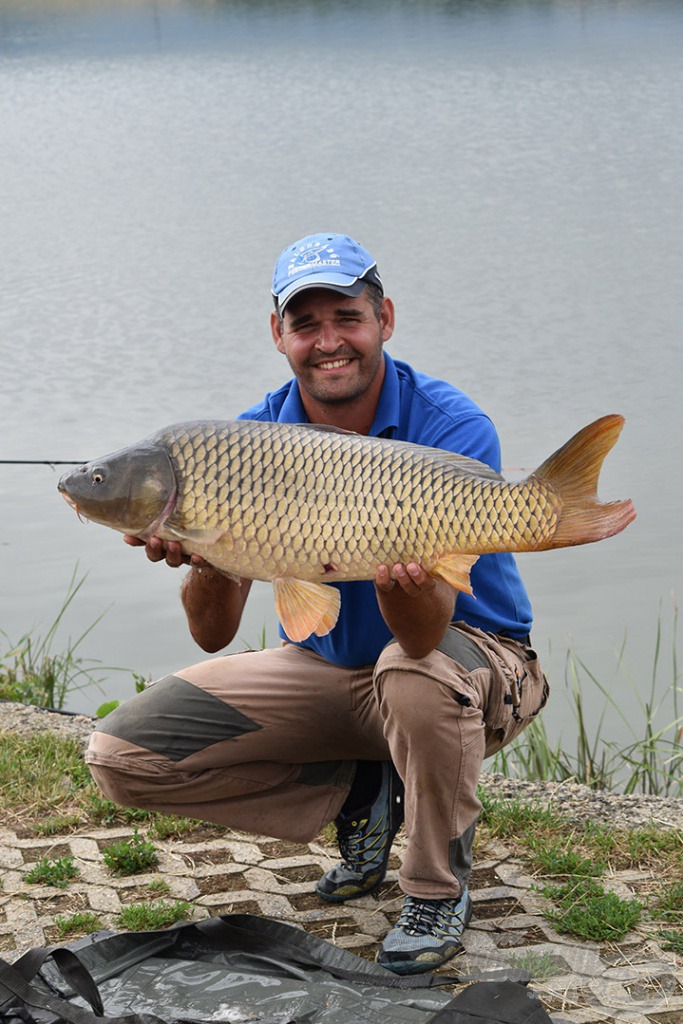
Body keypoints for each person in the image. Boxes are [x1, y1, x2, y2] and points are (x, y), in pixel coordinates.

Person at [86, 232, 548, 975]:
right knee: (124, 755)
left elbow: (425, 637)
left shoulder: (451, 426)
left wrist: (410, 572)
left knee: (412, 672)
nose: (328, 342)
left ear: (384, 318)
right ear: (279, 335)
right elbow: (212, 635)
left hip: (468, 664)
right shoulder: (242, 442)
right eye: (305, 325)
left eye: (347, 318)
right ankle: (357, 791)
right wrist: (208, 561)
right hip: (331, 667)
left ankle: (434, 888)